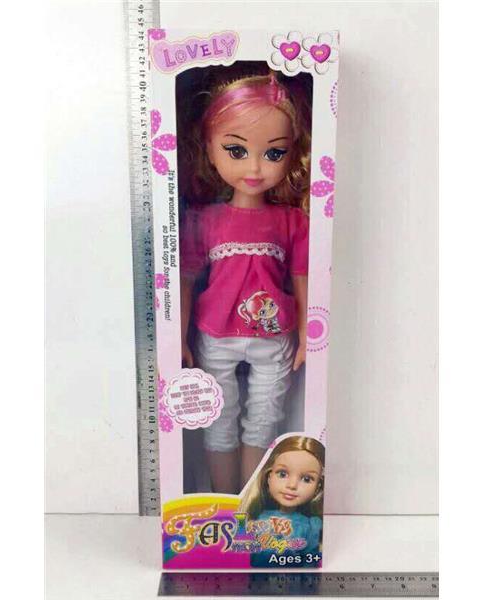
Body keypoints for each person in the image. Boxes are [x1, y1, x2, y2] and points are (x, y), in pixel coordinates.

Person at [180, 72, 312, 494]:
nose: (254, 167)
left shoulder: (292, 221)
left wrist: (309, 334)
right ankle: (224, 501)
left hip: (274, 337)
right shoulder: (205, 220)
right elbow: (185, 280)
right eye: (236, 150)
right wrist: (179, 336)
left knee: (264, 420)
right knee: (218, 418)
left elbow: (302, 278)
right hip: (214, 333)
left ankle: (248, 498)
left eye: (274, 153)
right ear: (209, 148)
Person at [238, 435, 324, 567]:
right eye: (282, 474)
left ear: (318, 487)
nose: (292, 485)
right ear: (269, 477)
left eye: (307, 479)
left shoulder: (311, 525)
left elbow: (310, 561)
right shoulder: (257, 516)